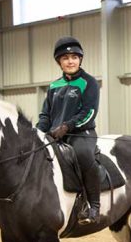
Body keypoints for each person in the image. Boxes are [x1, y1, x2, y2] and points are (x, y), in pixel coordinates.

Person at [37, 36, 101, 225]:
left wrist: (66, 127)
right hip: (55, 135)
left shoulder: (89, 82)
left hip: (81, 133)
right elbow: (45, 114)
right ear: (59, 62)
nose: (70, 61)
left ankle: (93, 206)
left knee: (83, 155)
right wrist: (39, 133)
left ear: (80, 59)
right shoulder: (53, 86)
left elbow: (89, 111)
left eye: (74, 57)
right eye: (65, 58)